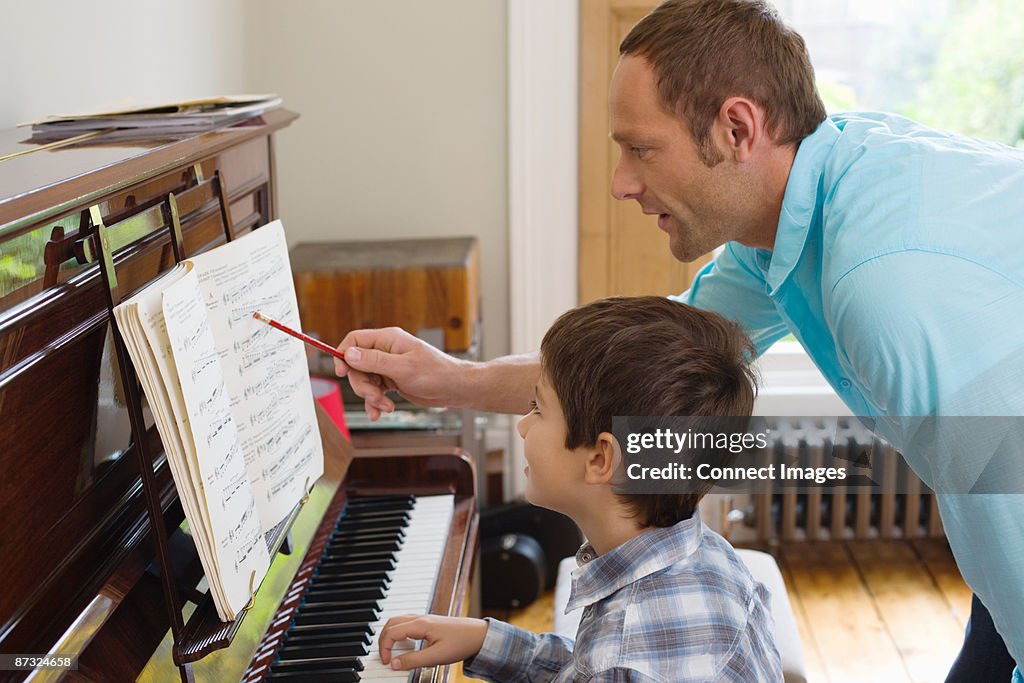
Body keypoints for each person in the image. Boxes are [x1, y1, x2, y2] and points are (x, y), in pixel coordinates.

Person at [335, 1, 1024, 680]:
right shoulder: (789, 215)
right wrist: (448, 378)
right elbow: (620, 370)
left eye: (640, 148)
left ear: (735, 128)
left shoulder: (887, 287)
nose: (621, 183)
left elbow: (1005, 486)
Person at [374, 296, 782, 681]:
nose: (522, 425)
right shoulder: (710, 557)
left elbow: (607, 666)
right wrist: (485, 639)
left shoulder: (619, 657)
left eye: (538, 408)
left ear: (601, 459)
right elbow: (586, 668)